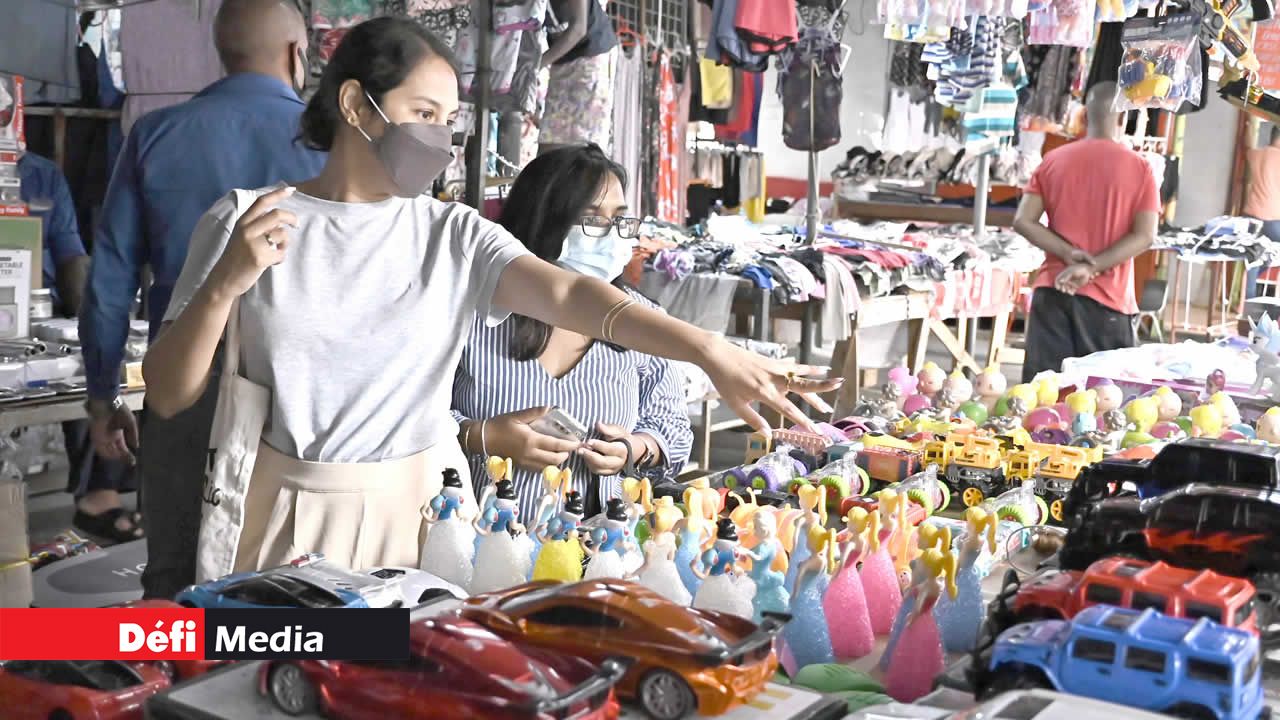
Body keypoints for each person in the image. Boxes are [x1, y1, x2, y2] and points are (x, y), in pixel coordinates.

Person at [142, 17, 836, 576]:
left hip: (423, 515)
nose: (440, 138)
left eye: (448, 118)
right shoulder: (246, 220)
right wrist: (227, 282)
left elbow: (568, 292)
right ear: (356, 105)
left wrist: (706, 348)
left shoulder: (452, 232)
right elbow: (170, 395)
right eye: (422, 111)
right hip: (285, 516)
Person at [79, 0, 324, 596]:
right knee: (293, 580)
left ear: (221, 53)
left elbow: (110, 278)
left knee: (173, 575)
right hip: (300, 387)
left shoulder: (156, 133)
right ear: (298, 54)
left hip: (184, 376)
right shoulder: (334, 146)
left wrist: (102, 396)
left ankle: (166, 683)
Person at [451, 144, 694, 521]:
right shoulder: (471, 316)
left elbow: (674, 429)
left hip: (594, 550)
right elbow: (410, 418)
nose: (611, 234)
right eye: (592, 218)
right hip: (478, 542)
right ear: (545, 220)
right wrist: (483, 436)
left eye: (619, 219)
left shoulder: (641, 322)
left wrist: (635, 448)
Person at [18, 150, 137, 539]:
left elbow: (70, 253)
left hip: (40, 304)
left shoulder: (42, 174)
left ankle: (98, 494)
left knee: (99, 357)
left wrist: (90, 321)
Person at [1014, 82, 1160, 383]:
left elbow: (1023, 220)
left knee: (1042, 400)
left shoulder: (1052, 160)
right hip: (1107, 301)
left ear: (1084, 116)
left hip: (1052, 291)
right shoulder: (1140, 168)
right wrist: (1091, 267)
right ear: (1122, 118)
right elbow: (1145, 235)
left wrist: (1069, 255)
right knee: (1103, 405)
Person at [539, 0, 618, 151]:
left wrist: (538, 64)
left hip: (591, 55)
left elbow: (578, 29)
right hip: (563, 57)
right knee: (551, 137)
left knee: (582, 142)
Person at [1244, 125, 1280, 298]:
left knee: (1252, 260)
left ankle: (1247, 305)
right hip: (1275, 220)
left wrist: (1249, 129)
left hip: (1253, 218)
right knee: (1267, 256)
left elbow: (1248, 148)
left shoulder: (1258, 155)